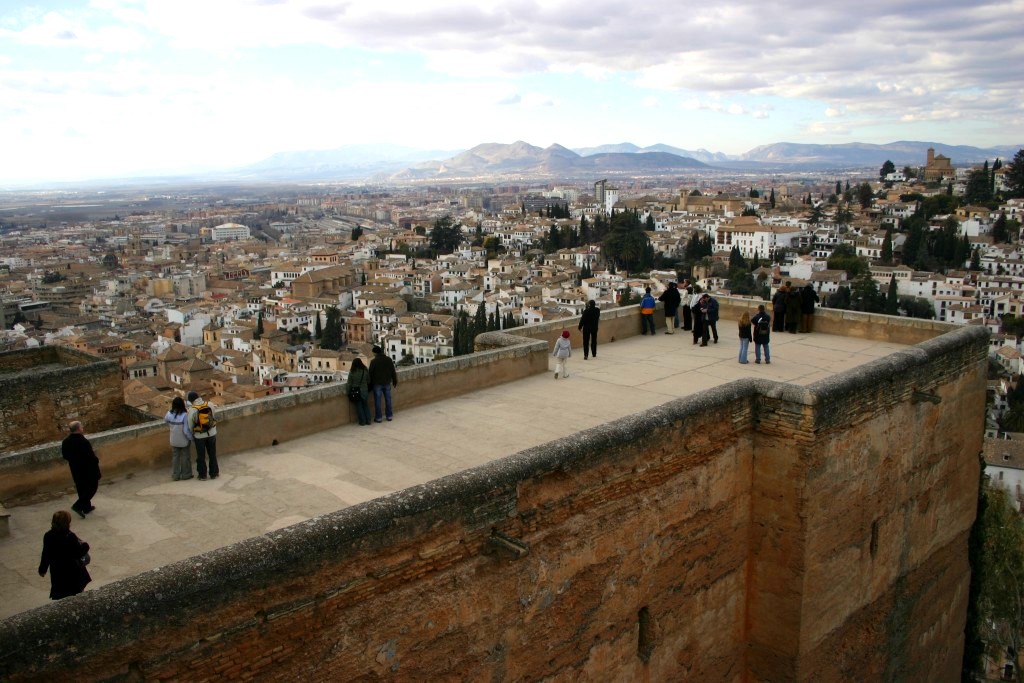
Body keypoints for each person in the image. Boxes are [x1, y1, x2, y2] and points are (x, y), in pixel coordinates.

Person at [38, 510, 91, 600]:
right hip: (71, 570)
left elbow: (46, 554)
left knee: (61, 593)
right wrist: (86, 545)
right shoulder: (70, 537)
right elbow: (78, 553)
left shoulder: (48, 536)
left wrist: (42, 569)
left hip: (57, 570)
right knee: (75, 594)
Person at [62, 421, 101, 519]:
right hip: (87, 469)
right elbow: (90, 456)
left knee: (81, 488)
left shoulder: (66, 441)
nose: (82, 427)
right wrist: (96, 461)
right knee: (92, 487)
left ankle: (86, 507)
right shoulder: (83, 441)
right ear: (79, 429)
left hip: (76, 469)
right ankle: (78, 506)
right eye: (81, 426)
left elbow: (65, 455)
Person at [187, 390, 219, 480]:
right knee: (212, 454)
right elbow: (213, 416)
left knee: (201, 456)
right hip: (212, 433)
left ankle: (202, 475)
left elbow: (190, 425)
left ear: (191, 401)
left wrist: (193, 433)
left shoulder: (192, 410)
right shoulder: (210, 404)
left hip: (199, 436)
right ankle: (214, 473)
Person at [164, 396, 193, 481]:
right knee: (185, 457)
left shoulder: (169, 414)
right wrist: (191, 438)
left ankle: (175, 475)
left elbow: (165, 421)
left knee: (175, 457)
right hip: (183, 439)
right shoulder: (184, 415)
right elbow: (186, 430)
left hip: (173, 439)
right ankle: (186, 474)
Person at [369, 345, 398, 423]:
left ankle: (378, 418)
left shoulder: (373, 361)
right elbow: (393, 371)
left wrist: (370, 384)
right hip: (387, 382)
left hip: (377, 383)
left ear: (375, 353)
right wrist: (395, 380)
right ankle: (389, 416)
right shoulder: (388, 359)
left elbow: (370, 373)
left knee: (378, 401)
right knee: (388, 400)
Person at [347, 357, 371, 426]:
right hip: (364, 390)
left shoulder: (352, 372)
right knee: (365, 405)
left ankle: (362, 421)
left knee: (359, 407)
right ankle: (368, 420)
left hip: (356, 391)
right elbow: (368, 380)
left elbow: (349, 383)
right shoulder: (365, 370)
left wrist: (348, 392)